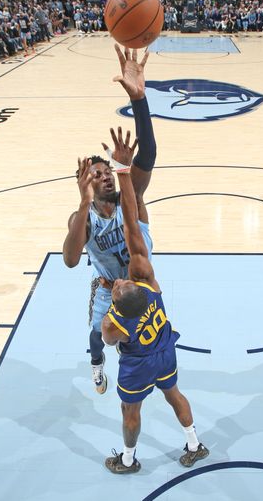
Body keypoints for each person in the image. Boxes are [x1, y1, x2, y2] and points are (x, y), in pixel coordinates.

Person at [98, 127, 208, 474]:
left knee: (130, 412)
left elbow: (108, 338)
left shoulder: (114, 323)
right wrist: (123, 171)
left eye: (115, 288)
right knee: (174, 394)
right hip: (164, 350)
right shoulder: (150, 284)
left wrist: (108, 316)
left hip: (140, 364)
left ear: (117, 305)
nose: (117, 281)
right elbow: (131, 222)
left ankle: (128, 460)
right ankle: (194, 443)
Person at [62, 46, 158, 394]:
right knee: (98, 335)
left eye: (107, 171)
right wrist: (83, 202)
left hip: (143, 283)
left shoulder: (130, 199)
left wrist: (139, 100)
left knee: (136, 340)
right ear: (86, 182)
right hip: (107, 288)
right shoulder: (83, 218)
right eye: (96, 174)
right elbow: (71, 261)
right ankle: (96, 363)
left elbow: (147, 154)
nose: (104, 176)